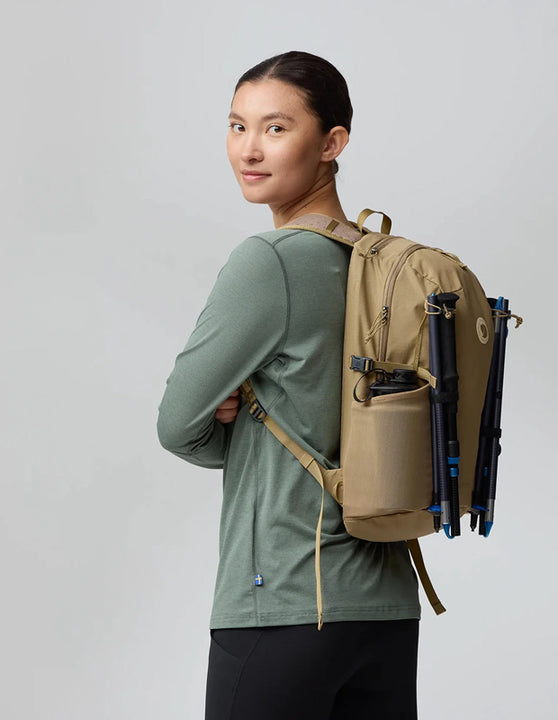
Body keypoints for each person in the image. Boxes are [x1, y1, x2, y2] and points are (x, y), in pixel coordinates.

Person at [156, 51, 421, 720]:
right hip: (386, 610)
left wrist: (231, 427)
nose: (249, 149)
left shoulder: (269, 261)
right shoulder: (380, 267)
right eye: (237, 126)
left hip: (284, 599)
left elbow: (176, 424)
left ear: (332, 143)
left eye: (276, 128)